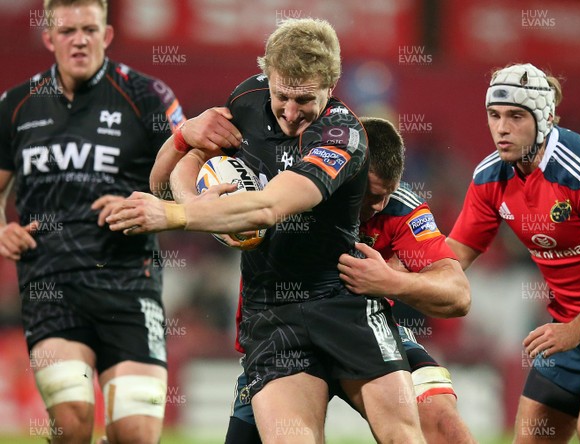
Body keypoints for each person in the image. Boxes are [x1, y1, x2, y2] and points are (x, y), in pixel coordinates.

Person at [108, 18, 426, 443]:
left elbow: (268, 207)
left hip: (342, 302)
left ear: (331, 85)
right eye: (282, 96)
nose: (291, 112)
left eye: (304, 100)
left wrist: (174, 216)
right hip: (274, 312)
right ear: (267, 78)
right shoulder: (246, 100)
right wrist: (185, 141)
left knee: (404, 437)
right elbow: (165, 179)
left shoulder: (342, 137)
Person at [224, 116, 476, 444]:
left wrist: (391, 282)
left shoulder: (401, 209)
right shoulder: (295, 191)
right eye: (369, 194)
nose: (378, 206)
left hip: (364, 332)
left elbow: (459, 295)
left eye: (387, 193)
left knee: (443, 423)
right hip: (287, 336)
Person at [0, 0, 186, 442]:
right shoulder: (15, 105)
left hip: (128, 281)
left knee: (136, 435)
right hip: (51, 285)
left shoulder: (147, 96)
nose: (79, 39)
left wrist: (154, 206)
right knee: (72, 421)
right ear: (48, 38)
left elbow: (185, 177)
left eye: (89, 29)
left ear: (106, 35)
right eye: (67, 31)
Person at [446, 63, 580, 443]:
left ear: (545, 118)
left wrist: (576, 328)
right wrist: (392, 275)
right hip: (569, 336)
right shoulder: (490, 178)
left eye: (516, 116)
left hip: (575, 329)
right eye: (494, 115)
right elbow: (451, 257)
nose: (501, 128)